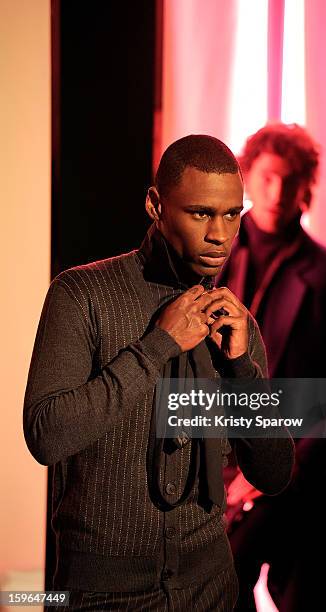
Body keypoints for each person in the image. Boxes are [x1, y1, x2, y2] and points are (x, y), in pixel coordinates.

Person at [23, 134, 294, 611]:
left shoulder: (235, 322)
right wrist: (155, 348)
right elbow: (47, 434)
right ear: (156, 205)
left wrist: (241, 370)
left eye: (232, 214)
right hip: (100, 597)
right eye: (200, 213)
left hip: (210, 589)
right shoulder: (82, 294)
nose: (220, 233)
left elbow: (273, 473)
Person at [217, 123, 326, 611]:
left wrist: (293, 464)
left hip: (313, 500)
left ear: (307, 186)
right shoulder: (209, 262)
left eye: (292, 179)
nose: (278, 192)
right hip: (229, 491)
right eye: (269, 177)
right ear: (246, 178)